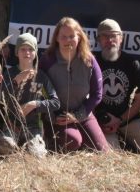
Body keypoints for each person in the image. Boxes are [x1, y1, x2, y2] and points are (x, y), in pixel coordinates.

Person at [93, 19, 140, 156]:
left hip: (129, 119)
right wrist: (100, 117)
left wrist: (120, 120)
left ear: (121, 38)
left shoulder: (133, 64)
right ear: (98, 39)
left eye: (113, 36)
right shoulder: (91, 62)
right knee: (111, 158)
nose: (109, 40)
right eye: (105, 36)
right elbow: (86, 96)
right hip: (102, 122)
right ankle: (121, 143)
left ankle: (128, 140)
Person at [38, 17, 110, 153]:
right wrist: (53, 116)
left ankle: (82, 139)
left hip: (82, 113)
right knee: (73, 141)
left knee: (102, 151)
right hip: (57, 117)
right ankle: (53, 140)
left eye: (72, 36)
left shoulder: (89, 61)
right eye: (63, 37)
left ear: (79, 37)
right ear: (57, 39)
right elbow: (38, 91)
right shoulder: (47, 61)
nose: (68, 40)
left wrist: (78, 115)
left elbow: (97, 94)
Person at [4, 32, 59, 157]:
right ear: (17, 52)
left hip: (33, 126)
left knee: (37, 155)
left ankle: (33, 146)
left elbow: (56, 102)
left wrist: (34, 104)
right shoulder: (10, 73)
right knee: (4, 146)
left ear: (35, 53)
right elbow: (2, 96)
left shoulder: (41, 76)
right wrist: (17, 81)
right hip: (11, 124)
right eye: (23, 49)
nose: (27, 52)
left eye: (30, 49)